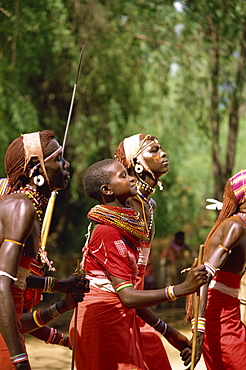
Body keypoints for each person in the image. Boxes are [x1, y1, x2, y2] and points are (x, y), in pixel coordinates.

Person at [69, 158, 208, 370]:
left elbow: (129, 298)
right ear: (107, 189)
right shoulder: (108, 232)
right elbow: (128, 297)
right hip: (103, 326)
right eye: (123, 176)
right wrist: (181, 289)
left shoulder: (123, 230)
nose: (131, 178)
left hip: (118, 320)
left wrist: (169, 332)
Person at [0, 131, 89, 369]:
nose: (66, 164)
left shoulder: (27, 208)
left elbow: (16, 281)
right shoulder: (21, 207)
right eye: (58, 159)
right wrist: (19, 360)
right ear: (35, 167)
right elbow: (1, 286)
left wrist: (59, 286)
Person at [115, 133, 185, 368]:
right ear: (136, 163)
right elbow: (122, 286)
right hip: (114, 308)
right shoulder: (126, 204)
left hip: (135, 307)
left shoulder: (149, 205)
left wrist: (166, 330)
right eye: (153, 150)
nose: (162, 153)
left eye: (161, 149)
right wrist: (178, 291)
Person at [186, 169, 246, 369]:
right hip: (217, 312)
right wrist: (199, 329)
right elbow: (204, 277)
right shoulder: (235, 227)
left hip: (229, 308)